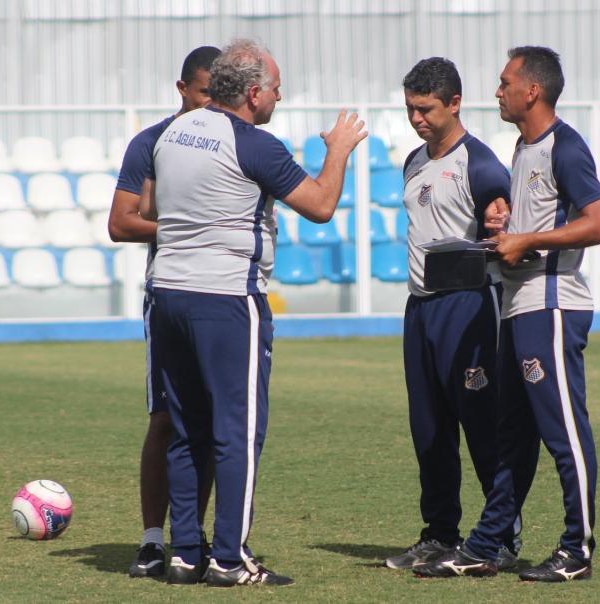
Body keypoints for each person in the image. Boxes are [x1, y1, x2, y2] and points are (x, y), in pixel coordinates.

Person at [142, 38, 367, 587]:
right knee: (237, 431)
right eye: (274, 87)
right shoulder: (253, 143)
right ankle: (228, 558)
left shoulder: (173, 132)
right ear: (251, 92)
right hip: (225, 299)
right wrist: (337, 151)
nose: (279, 96)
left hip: (166, 292)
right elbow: (319, 207)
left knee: (186, 429)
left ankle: (185, 554)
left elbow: (149, 210)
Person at [414, 46, 600, 581]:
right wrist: (505, 234)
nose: (497, 91)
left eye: (504, 83)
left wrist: (530, 238)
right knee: (511, 438)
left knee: (563, 433)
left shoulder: (564, 147)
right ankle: (487, 542)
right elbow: (532, 229)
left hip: (550, 304)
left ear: (533, 91)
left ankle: (578, 550)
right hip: (518, 305)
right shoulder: (524, 148)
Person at [382, 57, 520, 572]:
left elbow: (503, 230)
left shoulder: (480, 163)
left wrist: (498, 214)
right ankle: (440, 534)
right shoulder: (413, 161)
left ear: (455, 103)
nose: (417, 119)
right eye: (411, 109)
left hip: (467, 309)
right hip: (419, 309)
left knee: (483, 427)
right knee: (430, 430)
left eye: (426, 109)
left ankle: (500, 537)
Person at [107, 45, 221, 579]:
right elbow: (121, 223)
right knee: (166, 419)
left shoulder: (234, 144)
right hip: (168, 296)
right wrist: (184, 230)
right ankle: (153, 540)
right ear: (182, 90)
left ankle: (189, 542)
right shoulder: (150, 143)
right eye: (203, 92)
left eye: (219, 94)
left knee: (217, 421)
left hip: (222, 301)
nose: (210, 104)